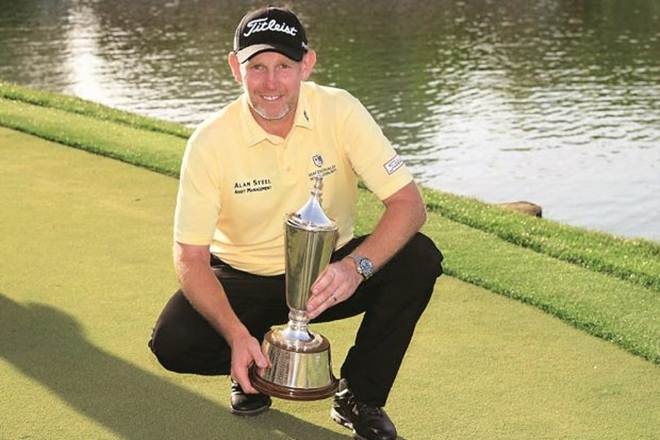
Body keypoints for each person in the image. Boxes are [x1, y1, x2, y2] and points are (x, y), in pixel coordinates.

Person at [148, 6, 443, 440]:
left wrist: (355, 268)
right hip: (243, 279)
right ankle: (254, 364)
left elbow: (409, 205)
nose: (271, 83)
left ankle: (359, 396)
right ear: (235, 68)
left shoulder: (340, 110)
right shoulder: (209, 142)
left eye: (284, 66)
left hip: (327, 275)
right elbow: (190, 257)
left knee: (419, 258)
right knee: (173, 342)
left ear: (307, 64)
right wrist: (235, 335)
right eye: (257, 67)